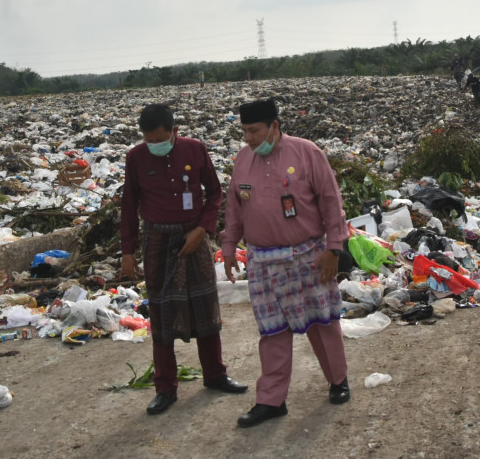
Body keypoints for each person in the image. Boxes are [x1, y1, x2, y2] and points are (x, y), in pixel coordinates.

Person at [222, 98, 351, 428]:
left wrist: (334, 249)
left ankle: (338, 381)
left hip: (309, 257)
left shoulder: (308, 153)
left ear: (274, 127)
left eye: (254, 130)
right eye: (245, 131)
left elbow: (330, 202)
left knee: (323, 324)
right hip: (263, 262)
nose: (249, 138)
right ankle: (271, 400)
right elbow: (235, 209)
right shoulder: (242, 160)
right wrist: (228, 247)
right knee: (272, 331)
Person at [119, 104, 247, 415]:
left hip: (194, 235)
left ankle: (215, 375)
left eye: (161, 139)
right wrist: (127, 252)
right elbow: (129, 204)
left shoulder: (195, 150)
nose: (155, 145)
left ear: (175, 131)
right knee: (162, 313)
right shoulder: (136, 157)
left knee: (204, 306)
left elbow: (215, 193)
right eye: (149, 140)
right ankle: (165, 388)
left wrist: (203, 229)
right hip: (157, 240)